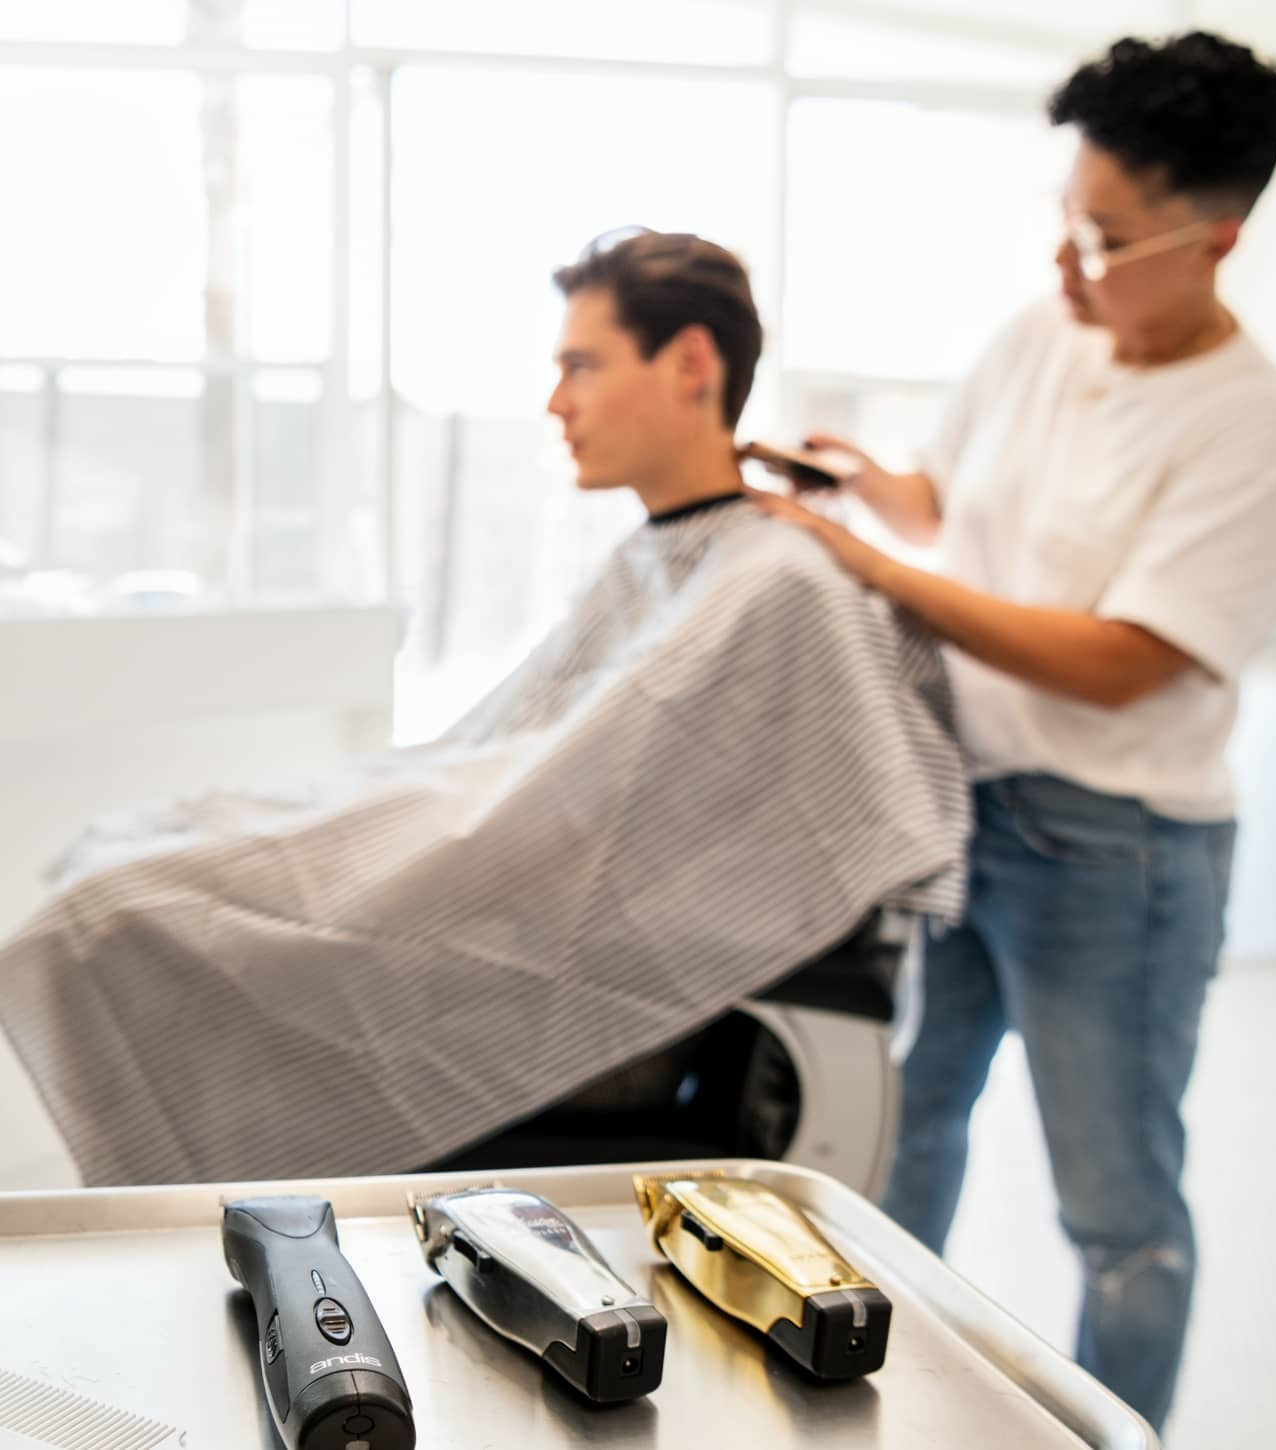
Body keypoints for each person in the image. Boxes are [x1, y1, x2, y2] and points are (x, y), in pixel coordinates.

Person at [0, 231, 970, 1189]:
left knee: (112, 919)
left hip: (592, 989)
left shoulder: (773, 582)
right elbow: (501, 759)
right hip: (532, 907)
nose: (555, 402)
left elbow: (546, 812)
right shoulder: (668, 554)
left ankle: (186, 1213)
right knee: (131, 865)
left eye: (580, 366)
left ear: (688, 363)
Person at [748, 32, 1276, 1434]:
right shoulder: (1037, 336)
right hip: (965, 812)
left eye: (1106, 235)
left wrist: (878, 570)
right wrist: (859, 486)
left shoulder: (1256, 433)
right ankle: (855, 1399)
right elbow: (965, 512)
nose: (1069, 261)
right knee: (898, 1137)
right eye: (1065, 217)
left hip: (1112, 856)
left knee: (1117, 1207)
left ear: (1217, 235)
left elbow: (1119, 663)